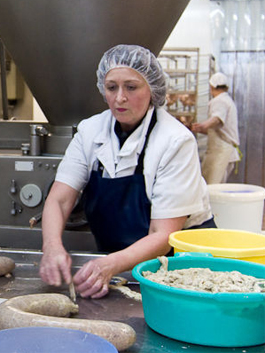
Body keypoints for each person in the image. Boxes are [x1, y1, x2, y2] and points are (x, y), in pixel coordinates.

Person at [39, 44, 215, 299]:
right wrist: (52, 246)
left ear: (152, 89)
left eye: (131, 87)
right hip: (117, 262)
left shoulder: (175, 141)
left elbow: (164, 234)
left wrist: (109, 265)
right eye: (111, 87)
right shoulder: (90, 131)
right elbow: (59, 199)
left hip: (178, 265)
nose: (119, 98)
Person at [191, 72, 240, 184]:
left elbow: (217, 119)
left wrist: (203, 125)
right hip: (224, 150)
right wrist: (202, 129)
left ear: (211, 87)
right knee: (218, 185)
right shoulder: (227, 100)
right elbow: (220, 128)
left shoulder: (219, 101)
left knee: (212, 187)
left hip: (220, 152)